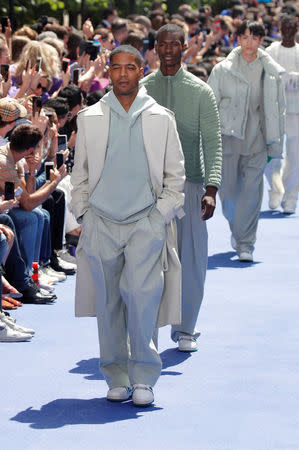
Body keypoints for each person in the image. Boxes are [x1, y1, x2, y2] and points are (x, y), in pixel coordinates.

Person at [71, 45, 185, 406]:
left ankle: (145, 378)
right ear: (110, 72)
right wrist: (85, 214)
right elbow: (80, 175)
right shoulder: (89, 117)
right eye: (116, 68)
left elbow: (175, 176)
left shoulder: (161, 118)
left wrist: (157, 218)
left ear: (141, 70)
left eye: (130, 68)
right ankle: (115, 375)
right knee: (109, 304)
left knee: (143, 300)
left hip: (145, 224)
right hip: (101, 222)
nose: (122, 74)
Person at [141, 24, 222, 353]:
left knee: (191, 259)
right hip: (148, 190)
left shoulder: (201, 91)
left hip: (189, 185)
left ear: (185, 47)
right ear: (156, 48)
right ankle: (147, 329)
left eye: (176, 44)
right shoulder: (142, 89)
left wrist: (211, 188)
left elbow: (213, 144)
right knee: (147, 261)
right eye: (164, 44)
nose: (170, 49)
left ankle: (186, 327)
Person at [208, 20, 286, 262]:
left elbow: (278, 109)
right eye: (244, 37)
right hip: (229, 139)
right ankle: (237, 227)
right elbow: (210, 104)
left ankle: (245, 243)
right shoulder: (223, 69)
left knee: (251, 194)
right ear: (237, 39)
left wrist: (276, 143)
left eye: (254, 37)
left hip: (258, 141)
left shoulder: (271, 71)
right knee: (228, 195)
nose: (249, 42)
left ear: (262, 41)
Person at [265, 14, 299, 214]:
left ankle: (291, 196)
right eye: (284, 28)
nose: (287, 31)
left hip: (297, 112)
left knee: (295, 157)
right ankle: (276, 188)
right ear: (279, 29)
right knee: (272, 157)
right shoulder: (271, 52)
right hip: (275, 111)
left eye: (291, 28)